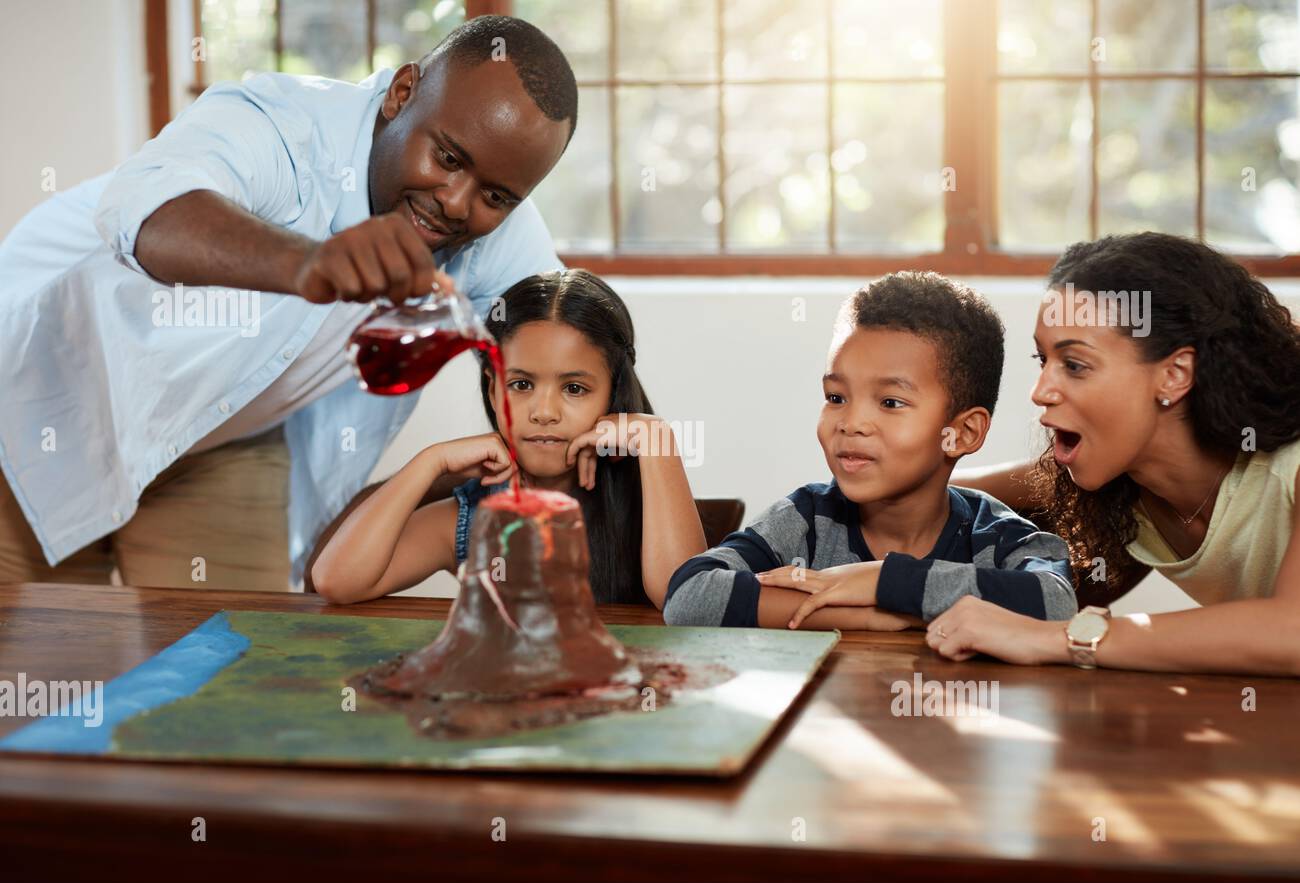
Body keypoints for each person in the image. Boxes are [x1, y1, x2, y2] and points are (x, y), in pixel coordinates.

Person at [0, 15, 575, 591]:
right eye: (448, 159)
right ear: (402, 94)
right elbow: (151, 211)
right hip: (40, 408)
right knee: (49, 661)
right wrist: (309, 264)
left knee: (226, 666)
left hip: (221, 438)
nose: (456, 204)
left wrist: (609, 439)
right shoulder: (283, 127)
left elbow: (568, 341)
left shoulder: (498, 225)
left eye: (495, 196)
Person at [947, 233, 1300, 676]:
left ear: (1174, 375)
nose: (1041, 392)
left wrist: (1059, 640)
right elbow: (980, 500)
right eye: (1043, 360)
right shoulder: (1124, 491)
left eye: (1074, 365)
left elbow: (1293, 632)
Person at [662, 272, 1077, 631]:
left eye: (891, 402)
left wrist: (881, 581)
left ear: (963, 432)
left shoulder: (996, 536)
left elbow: (1054, 603)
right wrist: (860, 614)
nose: (851, 422)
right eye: (836, 397)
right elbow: (688, 595)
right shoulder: (806, 519)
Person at [311, 269, 706, 608]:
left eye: (574, 389)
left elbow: (684, 598)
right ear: (493, 390)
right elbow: (335, 581)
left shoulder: (648, 502)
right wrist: (430, 463)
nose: (544, 411)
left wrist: (657, 439)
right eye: (520, 384)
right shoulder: (474, 516)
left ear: (613, 392)